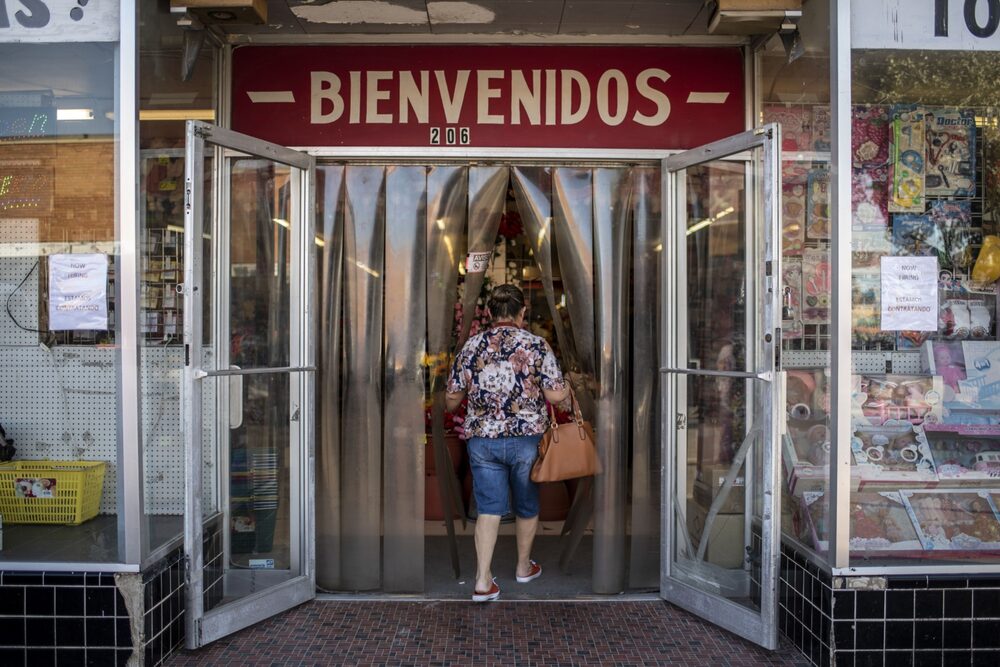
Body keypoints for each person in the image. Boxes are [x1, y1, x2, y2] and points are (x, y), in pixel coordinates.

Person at [445, 283, 569, 602]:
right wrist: (566, 388)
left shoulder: (471, 347)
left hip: (483, 441)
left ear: (488, 313)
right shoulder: (537, 346)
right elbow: (555, 395)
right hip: (526, 440)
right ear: (522, 313)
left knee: (488, 507)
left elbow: (451, 402)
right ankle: (523, 567)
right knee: (527, 502)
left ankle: (483, 581)